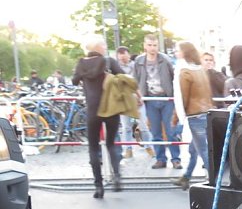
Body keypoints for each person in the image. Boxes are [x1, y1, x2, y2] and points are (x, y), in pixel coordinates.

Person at [71, 35, 124, 198]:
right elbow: (124, 78)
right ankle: (116, 177)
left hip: (93, 109)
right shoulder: (109, 62)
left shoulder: (81, 63)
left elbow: (74, 81)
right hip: (111, 107)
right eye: (104, 45)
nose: (105, 47)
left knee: (93, 148)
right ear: (99, 48)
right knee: (111, 143)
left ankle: (98, 186)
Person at [133, 34, 181, 169]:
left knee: (170, 130)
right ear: (144, 46)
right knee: (155, 131)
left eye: (154, 45)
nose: (152, 48)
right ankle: (160, 159)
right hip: (150, 99)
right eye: (149, 45)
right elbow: (135, 80)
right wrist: (138, 96)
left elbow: (174, 77)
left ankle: (176, 159)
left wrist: (174, 95)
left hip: (166, 98)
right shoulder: (139, 61)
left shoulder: (165, 59)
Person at [171, 41, 214, 191]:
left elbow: (183, 98)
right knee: (195, 148)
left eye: (178, 50)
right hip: (206, 112)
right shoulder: (200, 69)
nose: (176, 52)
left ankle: (215, 182)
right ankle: (186, 177)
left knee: (202, 150)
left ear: (184, 52)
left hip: (195, 114)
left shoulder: (185, 72)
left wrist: (176, 117)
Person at [116, 46, 154, 158]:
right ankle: (128, 149)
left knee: (143, 126)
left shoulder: (136, 66)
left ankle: (149, 147)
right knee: (126, 127)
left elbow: (140, 81)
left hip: (137, 100)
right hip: (124, 102)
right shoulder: (116, 68)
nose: (123, 57)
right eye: (120, 54)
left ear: (128, 55)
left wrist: (140, 96)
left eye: (124, 54)